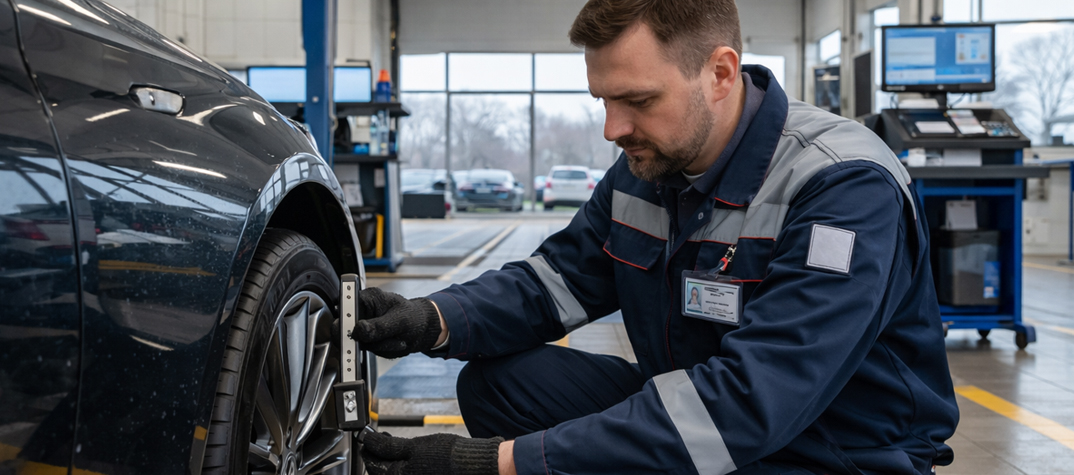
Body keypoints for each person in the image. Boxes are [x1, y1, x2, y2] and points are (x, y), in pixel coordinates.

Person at [351, 0, 959, 474]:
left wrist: (499, 464)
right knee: (499, 387)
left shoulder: (842, 187)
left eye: (637, 100)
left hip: (829, 450)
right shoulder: (650, 167)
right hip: (698, 410)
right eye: (604, 101)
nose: (613, 128)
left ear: (719, 73)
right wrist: (431, 319)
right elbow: (554, 283)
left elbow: (753, 400)